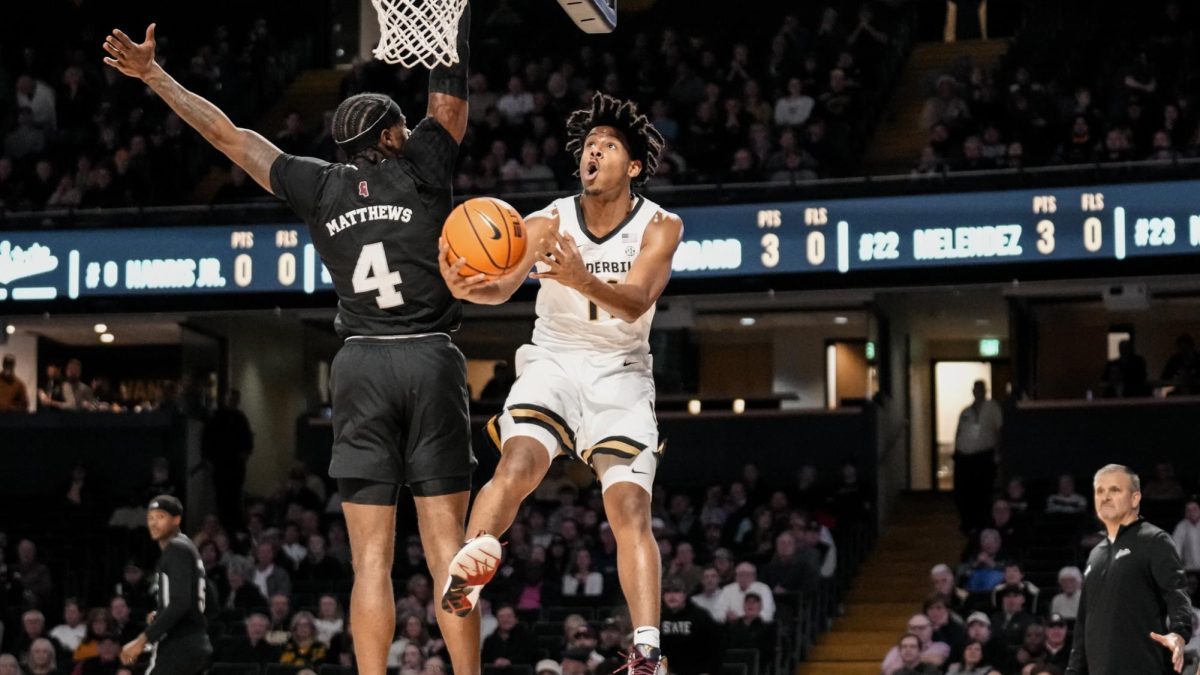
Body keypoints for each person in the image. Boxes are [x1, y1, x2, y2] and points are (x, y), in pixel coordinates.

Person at [101, 9, 480, 675]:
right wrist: (456, 15)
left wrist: (154, 74)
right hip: (429, 354)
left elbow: (228, 136)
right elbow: (449, 98)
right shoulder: (422, 164)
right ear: (393, 135)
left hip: (360, 364)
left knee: (371, 560)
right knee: (449, 546)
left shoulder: (320, 184)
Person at [438, 92, 681, 675]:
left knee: (628, 508)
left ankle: (647, 650)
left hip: (621, 370)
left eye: (609, 146)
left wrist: (578, 275)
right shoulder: (547, 221)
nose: (594, 152)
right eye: (589, 146)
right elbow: (500, 287)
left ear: (634, 167)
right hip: (555, 359)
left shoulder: (661, 226)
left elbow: (637, 302)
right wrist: (467, 285)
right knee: (518, 463)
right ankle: (475, 557)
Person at [1065, 464, 1193, 674]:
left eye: (1114, 490)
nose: (1105, 497)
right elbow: (1083, 623)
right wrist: (1073, 670)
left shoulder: (1154, 540)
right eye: (1100, 491)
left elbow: (1176, 591)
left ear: (1135, 498)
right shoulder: (1095, 554)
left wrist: (1179, 632)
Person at [118, 496, 212, 675]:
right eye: (151, 518)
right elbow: (211, 600)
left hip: (180, 644)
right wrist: (164, 615)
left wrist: (141, 642)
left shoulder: (175, 549)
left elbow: (180, 603)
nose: (154, 523)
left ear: (176, 520)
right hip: (193, 644)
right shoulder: (189, 550)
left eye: (161, 517)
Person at [953, 380, 1003, 531]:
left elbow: (999, 430)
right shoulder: (966, 411)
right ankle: (967, 522)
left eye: (980, 389)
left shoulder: (992, 407)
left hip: (983, 457)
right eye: (975, 389)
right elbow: (959, 431)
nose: (978, 392)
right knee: (963, 491)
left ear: (985, 390)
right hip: (964, 457)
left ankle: (981, 523)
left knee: (982, 491)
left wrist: (997, 452)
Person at [202, 390, 253, 531]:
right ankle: (222, 524)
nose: (232, 401)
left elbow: (247, 441)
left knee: (234, 496)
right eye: (230, 399)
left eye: (234, 399)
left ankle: (234, 524)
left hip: (235, 466)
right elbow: (207, 440)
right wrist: (208, 459)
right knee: (221, 497)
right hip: (220, 465)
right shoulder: (217, 417)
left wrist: (244, 455)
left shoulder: (240, 418)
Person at [659, 577, 721, 675]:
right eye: (667, 592)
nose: (671, 596)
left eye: (676, 591)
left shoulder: (700, 616)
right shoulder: (658, 618)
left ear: (685, 594)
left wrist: (707, 671)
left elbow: (715, 647)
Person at [1173, 499, 1200, 572]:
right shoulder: (1181, 526)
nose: (1192, 512)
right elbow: (1176, 547)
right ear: (1185, 513)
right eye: (1188, 510)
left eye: (1194, 509)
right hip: (1189, 569)